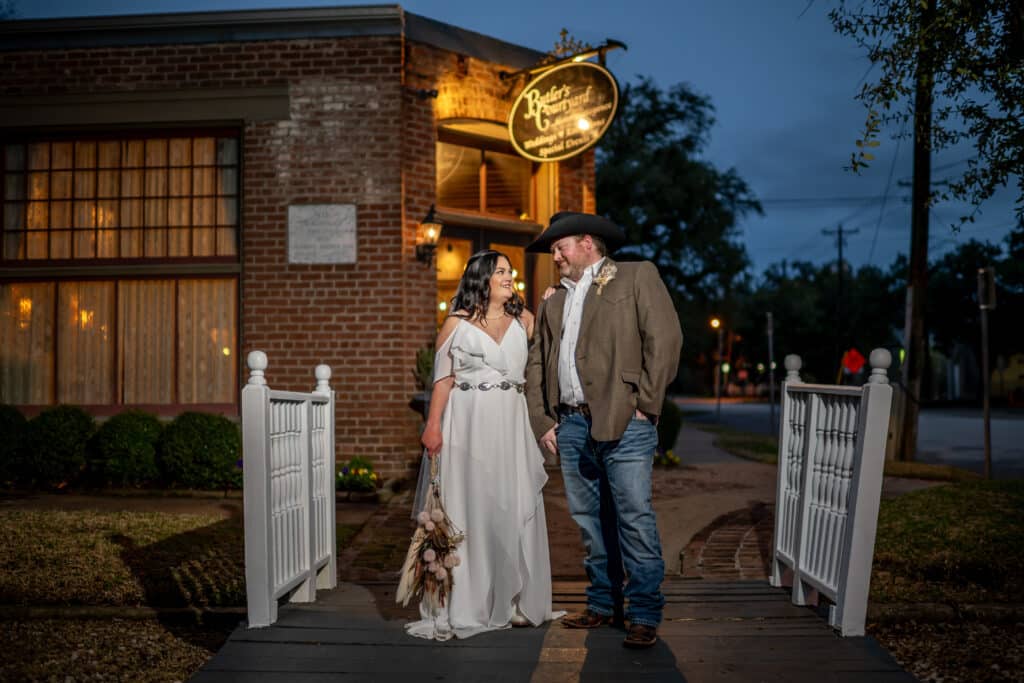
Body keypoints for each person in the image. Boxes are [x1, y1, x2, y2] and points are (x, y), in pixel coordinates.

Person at [525, 211, 683, 649]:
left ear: (588, 243)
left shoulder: (635, 276)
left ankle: (644, 612)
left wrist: (647, 405)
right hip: (570, 425)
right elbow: (538, 361)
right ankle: (601, 604)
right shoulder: (553, 298)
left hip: (626, 421)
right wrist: (543, 420)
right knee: (590, 522)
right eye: (553, 249)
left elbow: (665, 339)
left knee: (633, 518)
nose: (554, 255)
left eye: (560, 246)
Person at [406, 249, 561, 641]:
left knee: (511, 502)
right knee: (470, 504)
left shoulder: (524, 321)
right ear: (482, 279)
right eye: (502, 272)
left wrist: (551, 306)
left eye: (511, 272)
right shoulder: (456, 323)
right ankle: (469, 600)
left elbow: (552, 355)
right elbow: (443, 379)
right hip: (467, 422)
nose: (510, 277)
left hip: (511, 421)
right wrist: (433, 426)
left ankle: (516, 600)